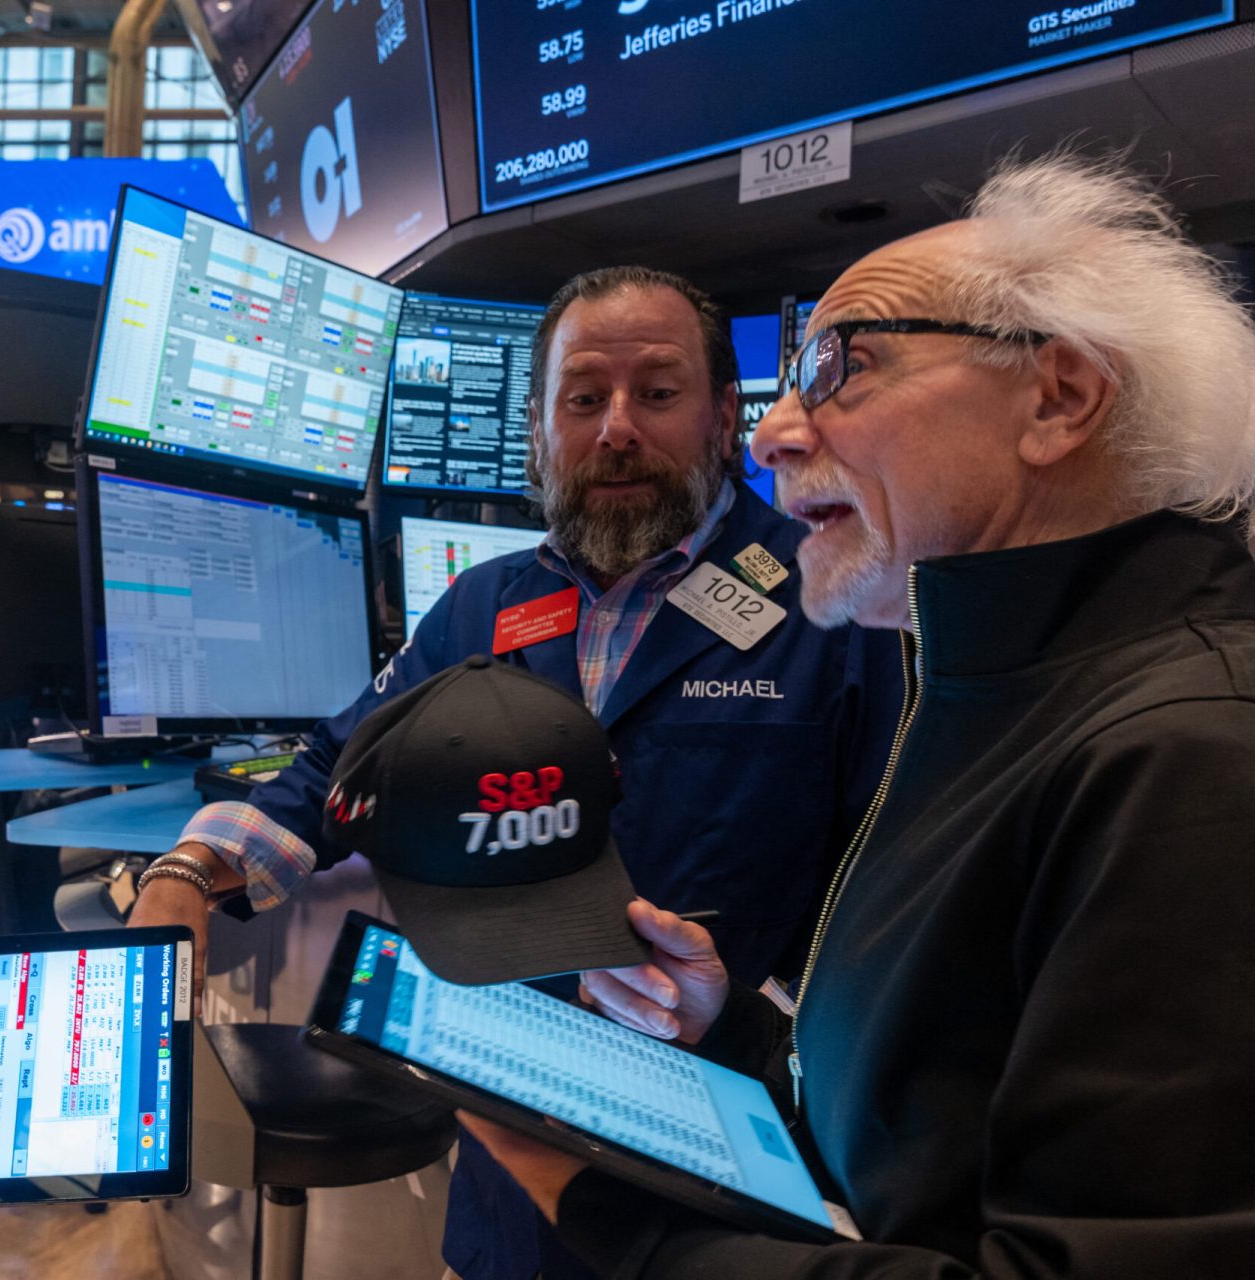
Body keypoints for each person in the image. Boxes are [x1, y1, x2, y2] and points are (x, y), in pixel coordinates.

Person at [470, 153, 1255, 1277]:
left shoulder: (1196, 757)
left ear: (1061, 398)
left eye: (845, 366)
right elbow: (933, 1120)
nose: (773, 434)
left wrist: (623, 1226)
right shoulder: (1004, 689)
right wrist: (730, 1026)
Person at [131, 266, 908, 1280]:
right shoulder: (481, 605)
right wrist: (189, 870)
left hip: (722, 1178)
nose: (616, 428)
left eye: (657, 393)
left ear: (725, 417)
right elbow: (336, 767)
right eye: (582, 399)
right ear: (538, 430)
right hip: (509, 1163)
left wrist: (765, 1021)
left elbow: (893, 912)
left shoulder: (837, 596)